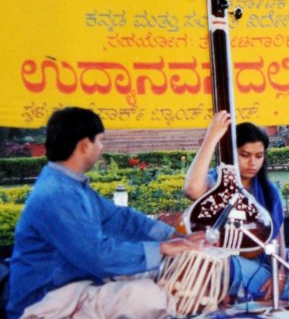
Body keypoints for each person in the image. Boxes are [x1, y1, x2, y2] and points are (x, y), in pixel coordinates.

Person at [7, 107, 202, 319]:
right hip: (45, 302)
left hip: (73, 287)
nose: (101, 148)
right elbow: (96, 254)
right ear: (84, 145)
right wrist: (162, 248)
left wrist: (176, 237)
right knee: (149, 296)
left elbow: (120, 218)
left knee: (156, 273)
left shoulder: (70, 184)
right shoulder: (55, 195)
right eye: (100, 141)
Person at [184, 111, 289, 301]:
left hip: (265, 268)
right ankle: (274, 292)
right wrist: (212, 137)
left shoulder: (270, 191)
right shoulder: (217, 183)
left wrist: (279, 275)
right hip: (230, 265)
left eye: (259, 156)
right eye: (245, 155)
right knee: (217, 261)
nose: (253, 163)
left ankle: (275, 290)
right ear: (232, 154)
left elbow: (279, 243)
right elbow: (192, 189)